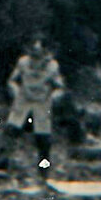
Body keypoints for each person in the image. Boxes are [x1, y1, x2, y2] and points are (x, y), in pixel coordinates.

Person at [5, 39, 65, 176]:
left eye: (39, 52)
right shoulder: (23, 62)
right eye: (33, 52)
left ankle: (44, 170)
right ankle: (2, 164)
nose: (35, 56)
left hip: (42, 103)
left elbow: (60, 87)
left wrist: (54, 97)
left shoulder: (52, 66)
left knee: (43, 140)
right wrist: (15, 91)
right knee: (11, 132)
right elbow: (12, 80)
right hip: (23, 101)